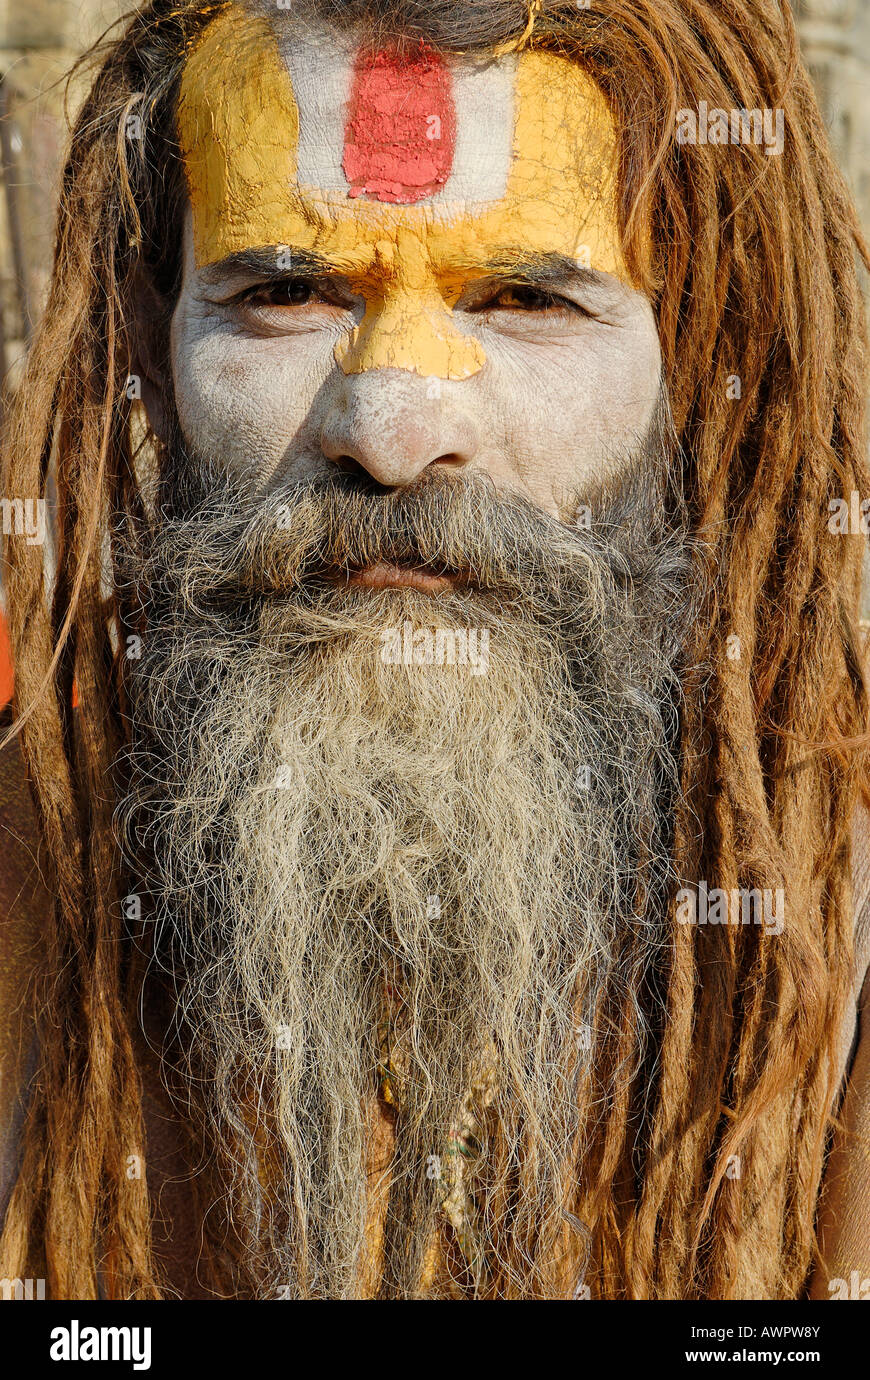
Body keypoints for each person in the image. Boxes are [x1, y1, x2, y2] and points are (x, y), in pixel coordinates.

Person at [0, 0, 867, 1300]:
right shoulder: (33, 897)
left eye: (527, 295)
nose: (394, 430)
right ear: (153, 338)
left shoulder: (820, 943)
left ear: (696, 352)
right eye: (284, 292)